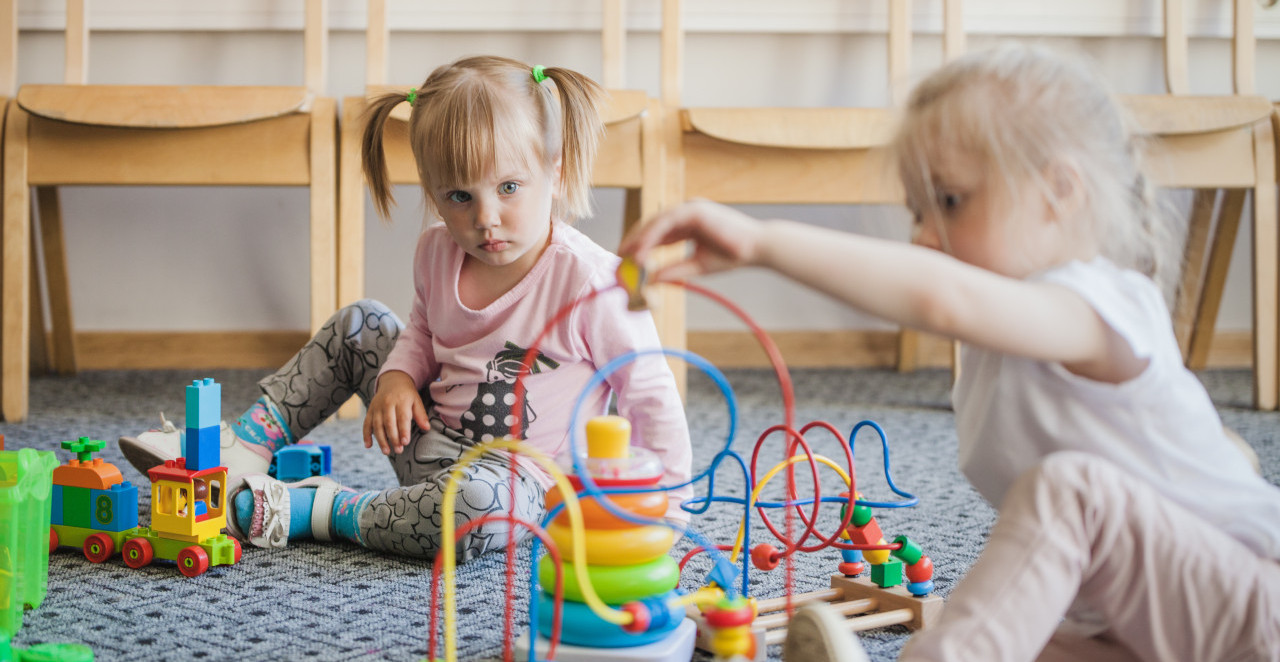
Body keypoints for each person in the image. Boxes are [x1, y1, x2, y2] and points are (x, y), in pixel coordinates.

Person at [621, 43, 1280, 661]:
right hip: (1124, 622)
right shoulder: (999, 350)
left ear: (1061, 190)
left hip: (1251, 607)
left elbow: (943, 298)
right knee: (997, 626)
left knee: (1069, 492)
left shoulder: (1101, 302)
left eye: (951, 200)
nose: (926, 236)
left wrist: (764, 244)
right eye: (918, 211)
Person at [119, 55, 692, 561]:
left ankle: (322, 509)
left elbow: (649, 391)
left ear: (556, 171)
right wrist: (396, 376)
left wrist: (668, 505)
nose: (485, 218)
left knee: (475, 507)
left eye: (509, 188)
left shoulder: (593, 282)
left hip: (516, 486)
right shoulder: (437, 251)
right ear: (433, 191)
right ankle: (245, 446)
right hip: (422, 437)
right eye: (459, 196)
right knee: (360, 321)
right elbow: (421, 330)